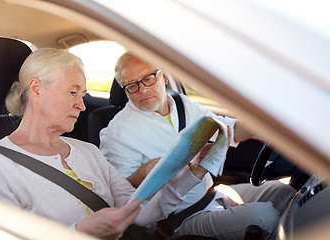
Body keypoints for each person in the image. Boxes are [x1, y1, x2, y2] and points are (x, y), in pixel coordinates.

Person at [0, 48, 216, 240]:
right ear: (36, 89)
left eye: (83, 94)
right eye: (72, 92)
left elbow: (140, 212)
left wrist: (193, 172)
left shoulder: (88, 152)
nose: (82, 105)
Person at [99, 52, 297, 240]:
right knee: (265, 217)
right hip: (179, 219)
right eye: (131, 86)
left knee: (286, 193)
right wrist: (143, 172)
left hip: (214, 194)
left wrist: (267, 121)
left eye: (148, 78)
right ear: (124, 89)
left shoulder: (182, 103)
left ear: (164, 77)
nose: (142, 89)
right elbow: (121, 195)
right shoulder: (116, 133)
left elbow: (228, 129)